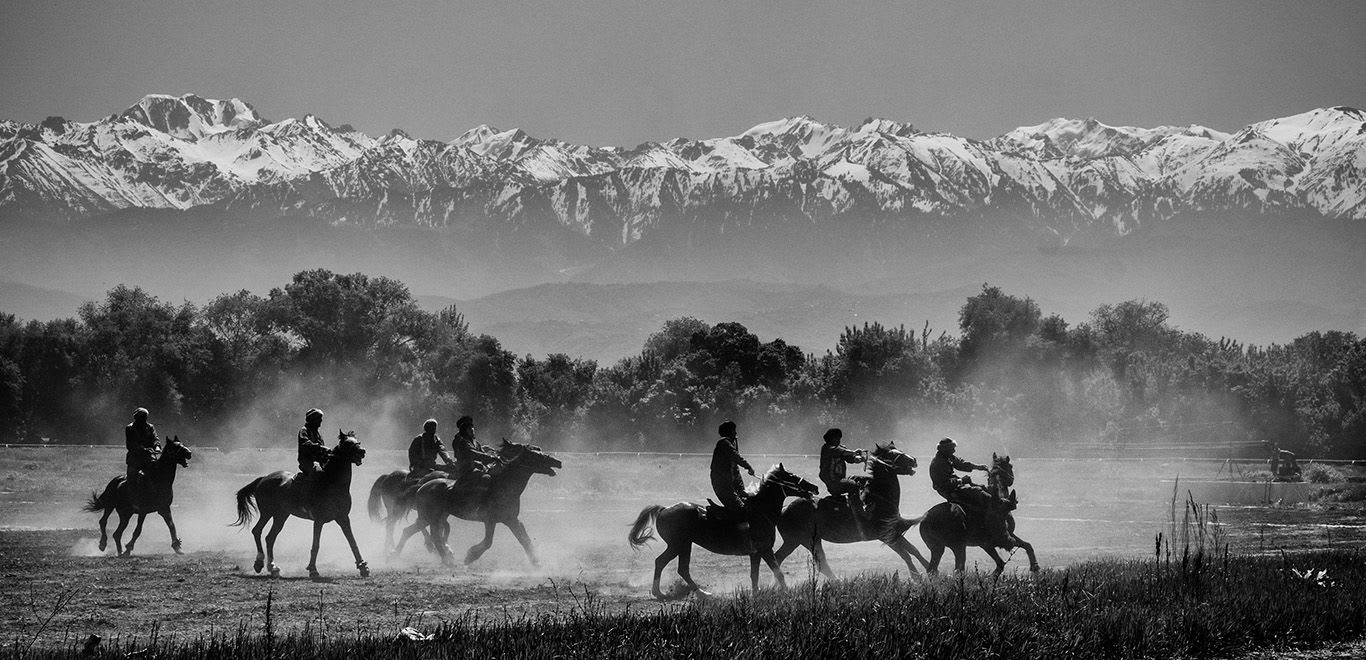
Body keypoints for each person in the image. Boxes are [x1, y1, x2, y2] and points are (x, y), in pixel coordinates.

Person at [930, 437, 1011, 546]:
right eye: (952, 449)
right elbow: (945, 483)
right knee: (979, 492)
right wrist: (961, 480)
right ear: (945, 449)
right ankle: (995, 520)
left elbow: (960, 464)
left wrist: (978, 467)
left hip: (955, 486)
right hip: (950, 490)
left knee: (982, 487)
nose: (954, 451)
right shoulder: (939, 463)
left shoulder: (946, 457)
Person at [819, 427, 869, 534]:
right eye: (837, 438)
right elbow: (842, 452)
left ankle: (855, 505)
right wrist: (855, 452)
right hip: (833, 482)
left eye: (839, 438)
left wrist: (861, 459)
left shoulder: (840, 448)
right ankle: (859, 510)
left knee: (861, 480)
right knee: (854, 485)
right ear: (831, 438)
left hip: (841, 480)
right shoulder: (827, 448)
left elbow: (851, 458)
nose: (839, 440)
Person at [710, 420, 755, 514]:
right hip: (723, 486)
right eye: (734, 430)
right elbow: (736, 456)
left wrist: (742, 490)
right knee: (740, 509)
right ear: (730, 432)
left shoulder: (729, 444)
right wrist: (748, 467)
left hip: (730, 485)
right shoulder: (724, 443)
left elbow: (736, 471)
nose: (736, 433)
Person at [449, 415, 501, 481]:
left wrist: (493, 456)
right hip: (466, 467)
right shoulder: (461, 440)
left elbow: (480, 452)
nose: (472, 428)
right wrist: (489, 457)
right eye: (468, 426)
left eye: (471, 426)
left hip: (476, 466)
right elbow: (471, 452)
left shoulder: (474, 441)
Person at [124, 407, 160, 487]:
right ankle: (130, 496)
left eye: (145, 417)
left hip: (149, 458)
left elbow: (155, 438)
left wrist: (157, 446)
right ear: (136, 417)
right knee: (132, 479)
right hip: (134, 459)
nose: (144, 419)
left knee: (158, 475)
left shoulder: (150, 427)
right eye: (142, 417)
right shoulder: (130, 428)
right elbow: (131, 444)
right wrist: (144, 449)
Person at [297, 408, 328, 476]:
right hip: (307, 462)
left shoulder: (317, 433)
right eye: (319, 418)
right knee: (317, 472)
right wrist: (321, 447)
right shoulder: (304, 430)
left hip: (319, 461)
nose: (321, 420)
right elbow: (305, 444)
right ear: (312, 419)